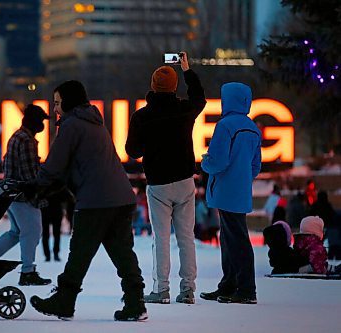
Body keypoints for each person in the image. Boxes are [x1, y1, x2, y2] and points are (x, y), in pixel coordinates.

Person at [30, 80, 147, 321]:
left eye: (57, 103)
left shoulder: (72, 126)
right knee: (123, 254)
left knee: (79, 252)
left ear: (69, 102)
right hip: (121, 197)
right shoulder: (95, 123)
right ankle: (136, 303)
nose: (55, 110)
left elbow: (54, 166)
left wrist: (34, 187)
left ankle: (64, 300)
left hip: (96, 200)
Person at [125, 52, 206, 304]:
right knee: (186, 238)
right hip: (184, 180)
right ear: (174, 86)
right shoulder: (185, 110)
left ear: (152, 86)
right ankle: (188, 289)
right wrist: (187, 70)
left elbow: (132, 151)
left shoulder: (142, 116)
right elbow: (199, 98)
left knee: (161, 239)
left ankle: (161, 289)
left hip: (158, 184)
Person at [199, 82, 261, 304]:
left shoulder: (225, 126)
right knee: (231, 237)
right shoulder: (253, 128)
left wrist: (205, 163)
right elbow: (255, 166)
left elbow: (217, 161)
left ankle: (245, 289)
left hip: (225, 190)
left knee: (235, 239)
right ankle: (228, 285)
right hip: (241, 191)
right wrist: (241, 178)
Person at [0, 104, 52, 286]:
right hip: (23, 196)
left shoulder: (17, 136)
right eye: (41, 121)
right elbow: (29, 174)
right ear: (34, 121)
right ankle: (28, 271)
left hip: (11, 194)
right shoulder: (26, 140)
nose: (43, 125)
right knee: (32, 231)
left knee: (16, 232)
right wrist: (41, 194)